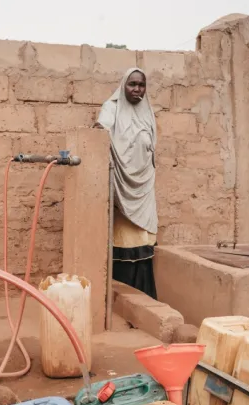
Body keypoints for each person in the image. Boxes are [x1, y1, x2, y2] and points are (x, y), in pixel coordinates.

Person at [95, 68, 159, 299]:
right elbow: (101, 129)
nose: (137, 89)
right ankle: (122, 297)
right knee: (123, 236)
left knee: (143, 239)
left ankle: (144, 298)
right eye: (132, 84)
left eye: (141, 85)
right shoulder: (111, 108)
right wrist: (101, 131)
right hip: (122, 185)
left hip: (144, 185)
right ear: (124, 85)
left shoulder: (147, 111)